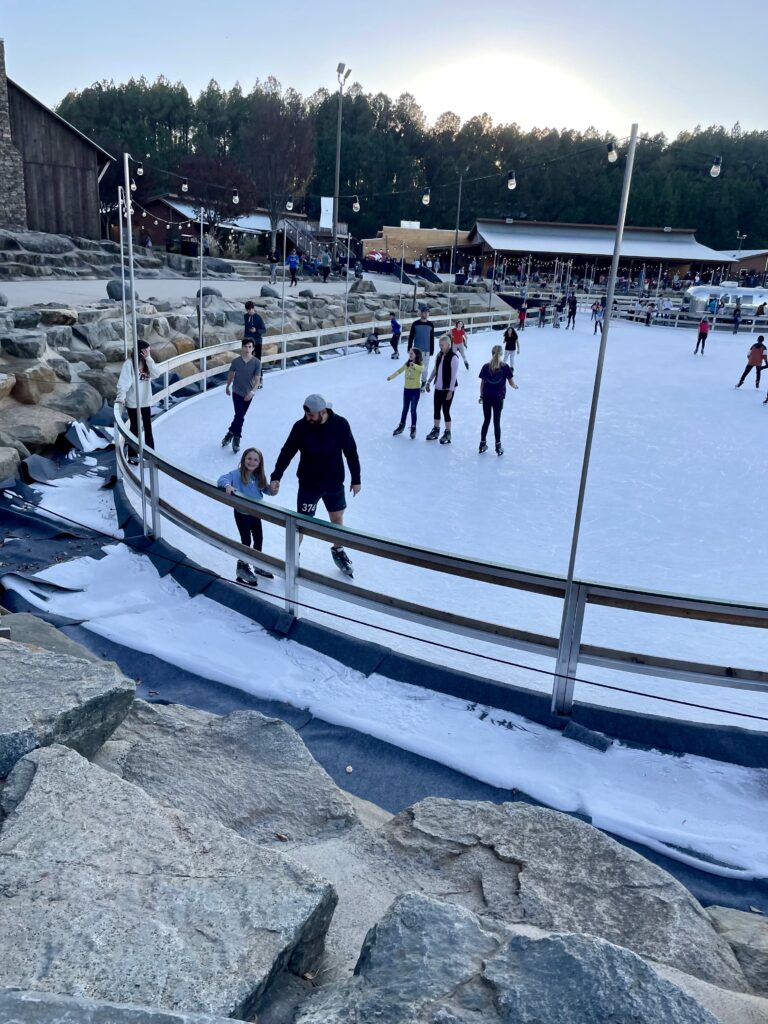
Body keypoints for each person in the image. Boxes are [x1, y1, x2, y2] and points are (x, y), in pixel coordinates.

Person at [269, 394, 361, 577]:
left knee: (337, 520)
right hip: (309, 484)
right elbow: (287, 452)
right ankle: (293, 556)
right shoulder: (300, 427)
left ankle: (338, 550)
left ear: (323, 412)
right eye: (306, 415)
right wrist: (276, 476)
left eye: (311, 415)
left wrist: (356, 478)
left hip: (334, 483)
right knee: (301, 523)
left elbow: (351, 451)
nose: (308, 418)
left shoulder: (340, 424)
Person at [217, 448, 274, 586]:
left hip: (256, 513)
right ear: (243, 459)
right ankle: (242, 566)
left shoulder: (258, 476)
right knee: (246, 540)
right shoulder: (236, 474)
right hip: (242, 513)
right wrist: (227, 486)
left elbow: (264, 489)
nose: (252, 462)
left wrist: (272, 490)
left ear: (259, 463)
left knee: (259, 539)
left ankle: (257, 564)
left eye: (255, 460)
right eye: (249, 458)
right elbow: (222, 479)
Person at [116, 341, 159, 465]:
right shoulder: (129, 364)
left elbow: (156, 374)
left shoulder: (147, 362)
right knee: (134, 428)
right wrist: (121, 397)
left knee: (148, 427)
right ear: (141, 351)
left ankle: (151, 454)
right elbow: (123, 383)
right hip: (133, 401)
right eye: (147, 350)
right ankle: (133, 455)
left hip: (145, 400)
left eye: (149, 350)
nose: (148, 352)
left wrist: (149, 358)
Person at [221, 339, 261, 453]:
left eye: (249, 347)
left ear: (253, 348)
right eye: (245, 346)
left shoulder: (257, 363)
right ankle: (237, 438)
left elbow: (258, 379)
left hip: (248, 394)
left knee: (239, 416)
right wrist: (227, 386)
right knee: (240, 415)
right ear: (242, 348)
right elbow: (231, 374)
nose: (247, 349)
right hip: (237, 392)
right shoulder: (236, 361)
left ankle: (230, 433)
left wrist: (252, 392)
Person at [478, 344, 517, 455]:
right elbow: (510, 381)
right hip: (498, 398)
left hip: (486, 397)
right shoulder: (505, 367)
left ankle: (482, 443)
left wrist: (481, 396)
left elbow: (482, 383)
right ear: (501, 354)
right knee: (496, 422)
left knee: (486, 420)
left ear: (492, 353)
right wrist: (514, 386)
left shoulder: (486, 366)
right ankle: (498, 446)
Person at [424, 336, 459, 444]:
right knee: (436, 409)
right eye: (440, 345)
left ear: (448, 345)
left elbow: (454, 376)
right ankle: (436, 430)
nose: (441, 347)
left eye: (442, 345)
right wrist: (429, 381)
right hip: (438, 387)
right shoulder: (439, 355)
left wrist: (450, 391)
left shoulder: (454, 357)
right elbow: (435, 369)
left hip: (447, 389)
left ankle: (448, 433)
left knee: (446, 411)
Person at [388, 348, 423, 438]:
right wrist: (391, 377)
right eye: (409, 353)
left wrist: (414, 365)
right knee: (405, 409)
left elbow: (422, 369)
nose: (410, 355)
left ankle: (413, 428)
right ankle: (401, 425)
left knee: (413, 410)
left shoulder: (419, 365)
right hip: (407, 390)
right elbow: (399, 371)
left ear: (416, 355)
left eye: (412, 353)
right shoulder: (407, 364)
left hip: (415, 391)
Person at [407, 307, 435, 386]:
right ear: (421, 313)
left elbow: (431, 338)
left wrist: (432, 349)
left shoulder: (430, 324)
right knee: (415, 367)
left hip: (427, 350)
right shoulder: (415, 323)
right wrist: (409, 348)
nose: (426, 314)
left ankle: (423, 382)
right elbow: (411, 336)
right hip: (417, 350)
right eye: (424, 312)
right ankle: (415, 382)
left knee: (424, 368)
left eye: (427, 312)